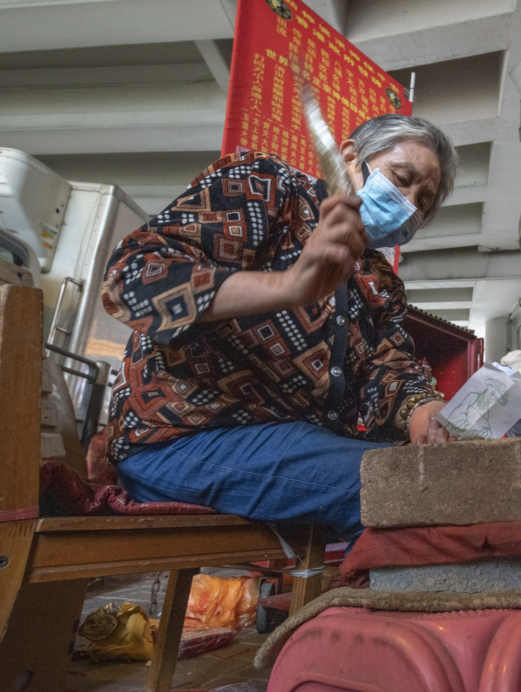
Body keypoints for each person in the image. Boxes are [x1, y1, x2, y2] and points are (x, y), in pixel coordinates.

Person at [100, 114, 459, 540]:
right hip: (182, 440)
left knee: (438, 478)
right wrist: (287, 286)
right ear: (349, 157)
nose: (408, 202)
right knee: (408, 491)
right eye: (402, 178)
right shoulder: (267, 188)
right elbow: (132, 278)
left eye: (423, 201)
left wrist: (425, 414)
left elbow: (391, 369)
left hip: (292, 449)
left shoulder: (380, 282)